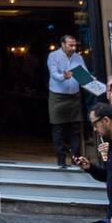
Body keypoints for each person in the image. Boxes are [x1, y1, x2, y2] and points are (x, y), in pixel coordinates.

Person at [47, 34, 86, 168]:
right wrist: (64, 76)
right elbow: (53, 74)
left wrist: (91, 80)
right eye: (70, 45)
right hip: (57, 97)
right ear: (63, 44)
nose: (73, 48)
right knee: (58, 129)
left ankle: (75, 159)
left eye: (75, 45)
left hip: (74, 96)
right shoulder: (53, 56)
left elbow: (84, 74)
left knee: (75, 129)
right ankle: (61, 159)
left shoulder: (78, 57)